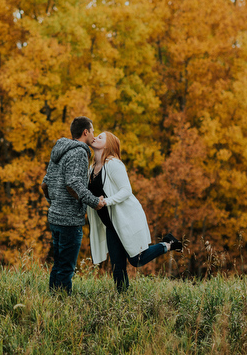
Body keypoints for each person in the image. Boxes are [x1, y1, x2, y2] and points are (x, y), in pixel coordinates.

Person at [87, 131, 182, 292]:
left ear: (108, 145)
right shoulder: (91, 169)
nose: (95, 137)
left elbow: (126, 190)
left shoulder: (113, 164)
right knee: (117, 265)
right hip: (110, 224)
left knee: (137, 260)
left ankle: (169, 244)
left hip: (126, 219)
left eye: (101, 137)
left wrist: (105, 202)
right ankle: (122, 299)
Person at [41, 116, 107, 294]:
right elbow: (73, 184)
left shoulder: (59, 150)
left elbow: (45, 184)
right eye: (92, 131)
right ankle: (61, 307)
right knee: (66, 268)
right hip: (69, 220)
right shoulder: (79, 152)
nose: (93, 135)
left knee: (59, 264)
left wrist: (54, 203)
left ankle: (52, 301)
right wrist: (95, 202)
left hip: (55, 217)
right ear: (86, 132)